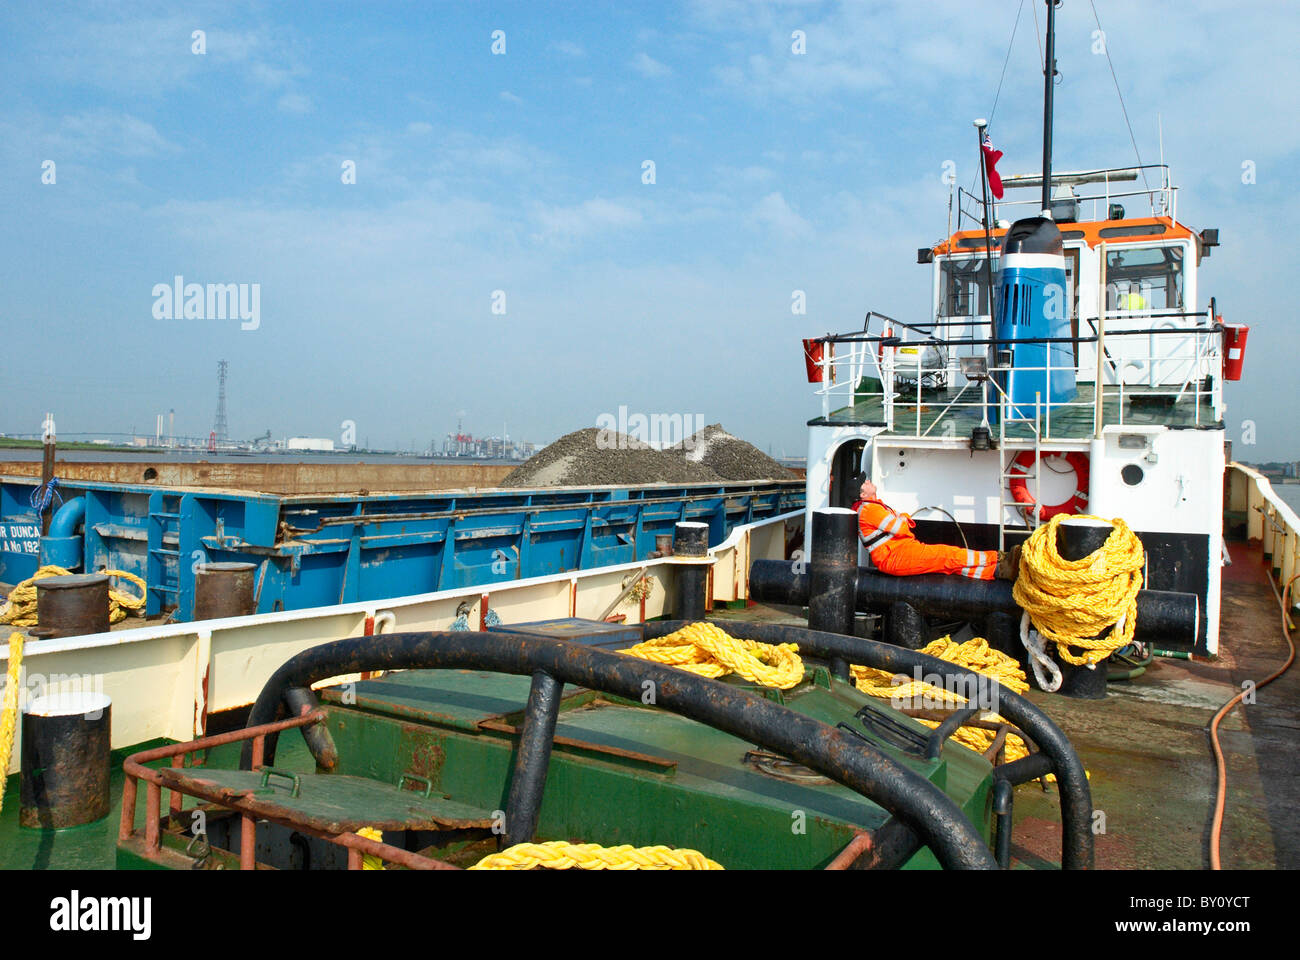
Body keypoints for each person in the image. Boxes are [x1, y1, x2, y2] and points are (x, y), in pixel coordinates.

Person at [848, 472, 1017, 581]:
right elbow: (901, 528)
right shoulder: (869, 509)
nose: (868, 480)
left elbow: (899, 525)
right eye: (865, 482)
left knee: (950, 566)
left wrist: (902, 519)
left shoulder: (872, 507)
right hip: (895, 556)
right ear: (862, 494)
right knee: (947, 555)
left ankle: (997, 571)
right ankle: (999, 557)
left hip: (901, 551)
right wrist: (904, 518)